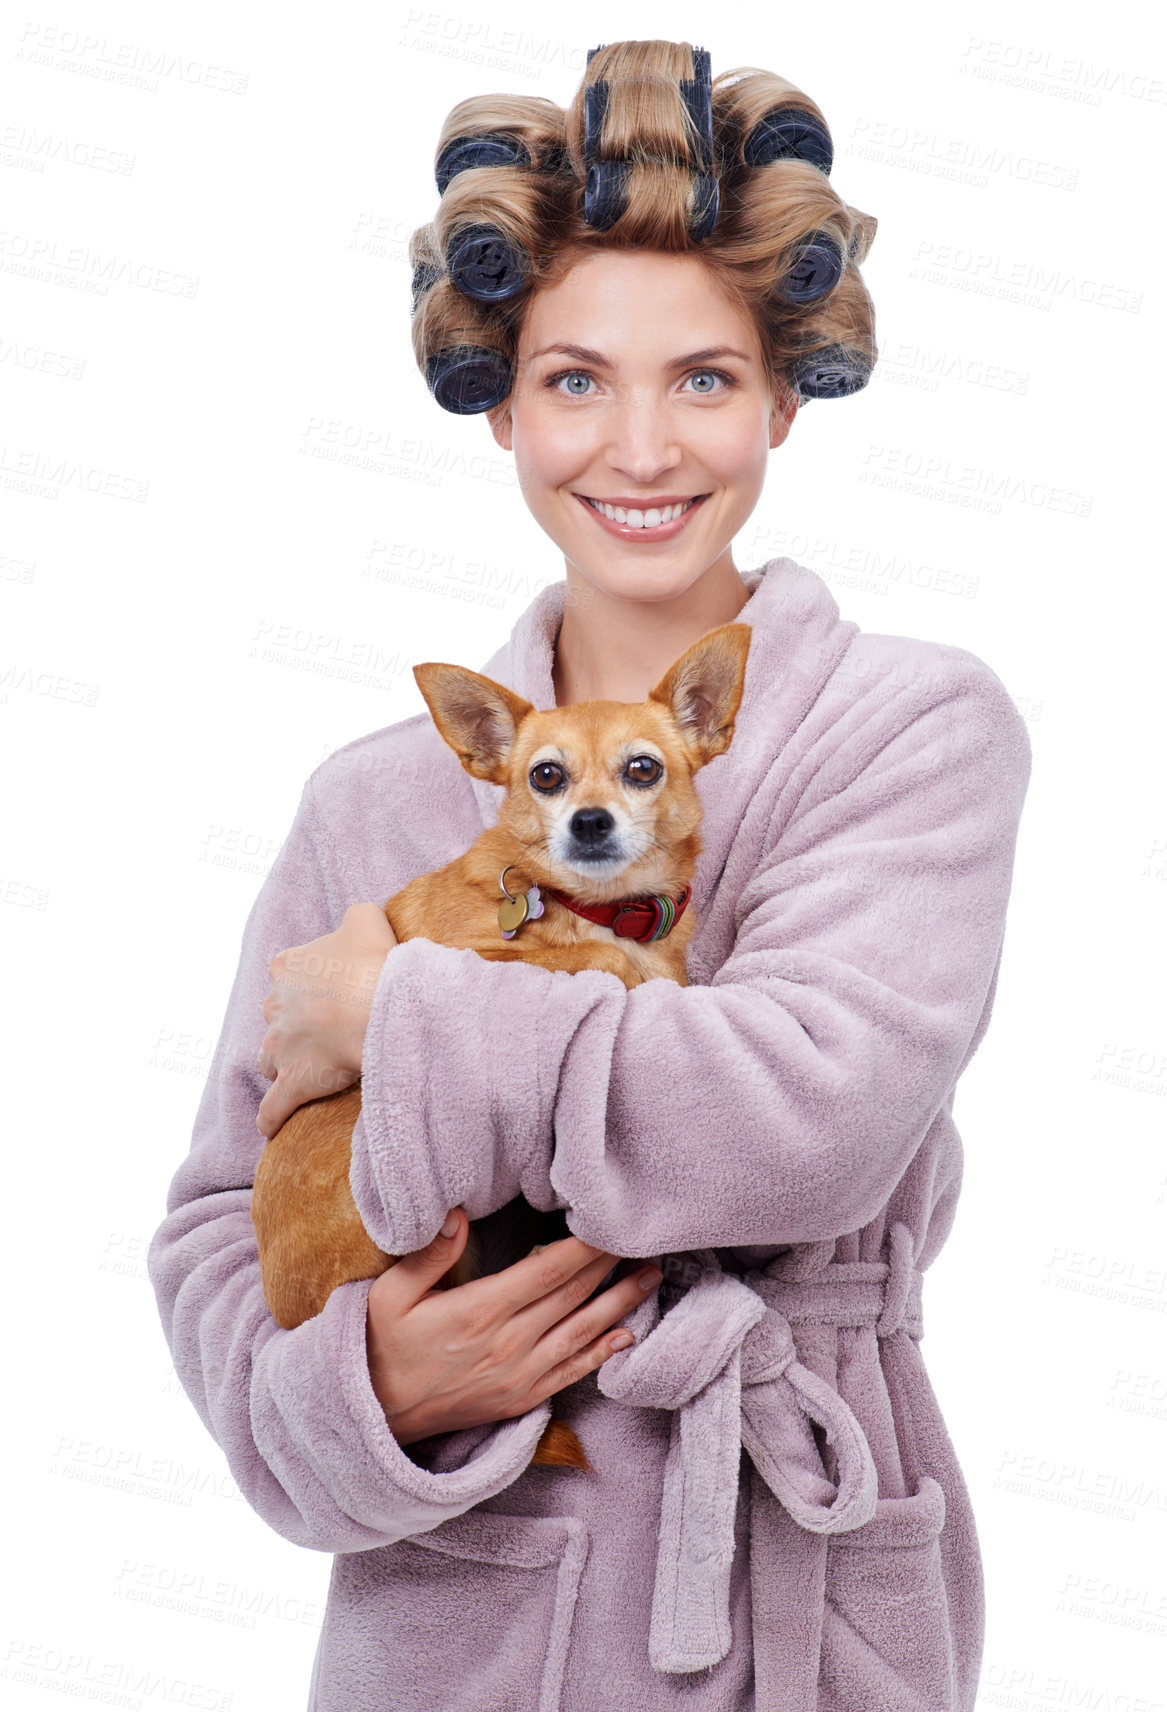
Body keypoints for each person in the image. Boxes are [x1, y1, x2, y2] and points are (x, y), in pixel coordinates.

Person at [147, 39, 1031, 1712]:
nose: (640, 447)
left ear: (784, 396)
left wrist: (397, 1015)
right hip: (469, 1596)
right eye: (574, 380)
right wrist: (369, 1389)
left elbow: (807, 1113)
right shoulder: (375, 797)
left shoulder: (912, 731)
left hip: (787, 1563)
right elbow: (213, 1225)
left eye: (703, 379)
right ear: (498, 408)